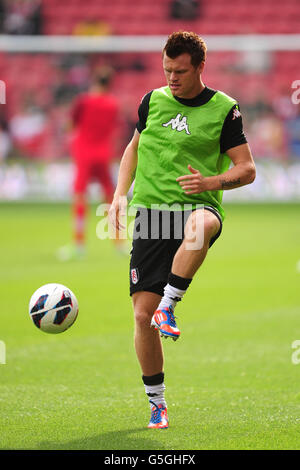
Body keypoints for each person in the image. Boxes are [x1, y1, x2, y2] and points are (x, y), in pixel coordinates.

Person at [109, 31, 256, 429]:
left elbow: (247, 169)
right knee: (141, 316)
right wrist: (120, 194)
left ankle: (169, 306)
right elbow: (133, 149)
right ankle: (157, 402)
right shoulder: (151, 101)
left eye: (180, 71)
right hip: (152, 214)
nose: (172, 78)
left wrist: (211, 182)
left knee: (203, 223)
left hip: (197, 204)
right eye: (167, 70)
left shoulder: (224, 108)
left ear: (200, 67)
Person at [58, 66, 123, 261]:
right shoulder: (113, 104)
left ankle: (78, 244)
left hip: (84, 153)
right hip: (104, 154)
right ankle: (119, 242)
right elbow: (113, 129)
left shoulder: (84, 101)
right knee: (111, 199)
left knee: (79, 197)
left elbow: (70, 125)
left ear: (95, 81)